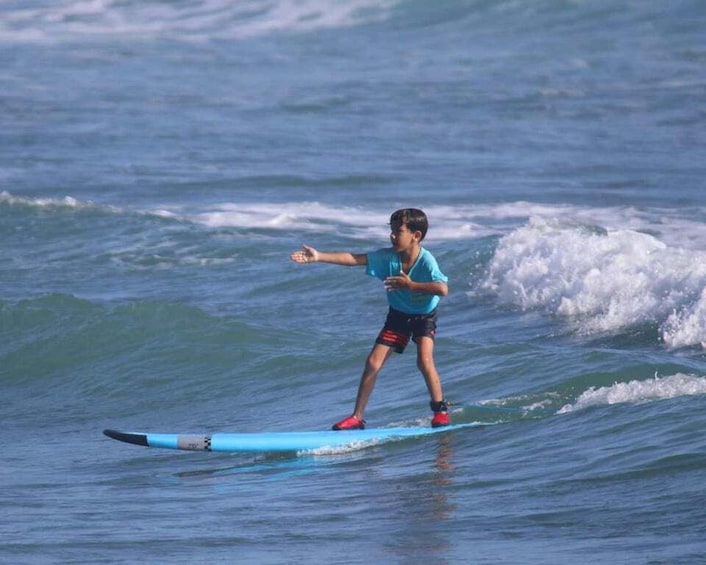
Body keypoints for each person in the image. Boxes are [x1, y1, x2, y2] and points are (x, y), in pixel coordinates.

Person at [290, 208, 450, 430]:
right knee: (372, 363)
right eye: (391, 231)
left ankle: (440, 411)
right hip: (398, 315)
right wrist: (319, 256)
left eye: (399, 231)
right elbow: (353, 258)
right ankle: (357, 417)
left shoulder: (427, 261)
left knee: (424, 360)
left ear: (416, 236)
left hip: (424, 316)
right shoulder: (387, 257)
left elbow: (442, 289)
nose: (392, 235)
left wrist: (411, 285)